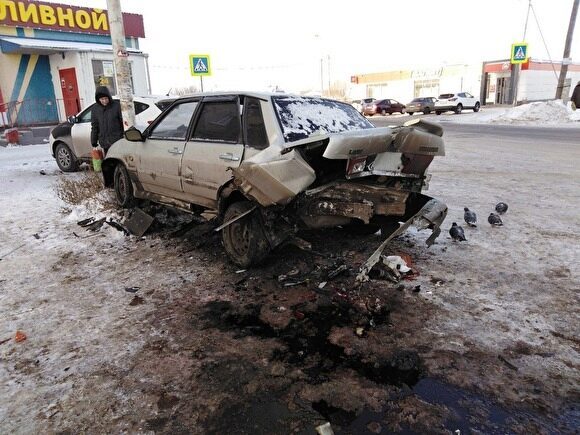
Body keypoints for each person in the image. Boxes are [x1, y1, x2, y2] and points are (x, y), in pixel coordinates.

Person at [90, 86, 123, 155]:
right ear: (98, 99)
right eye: (102, 99)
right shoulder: (95, 109)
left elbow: (122, 122)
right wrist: (94, 142)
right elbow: (95, 126)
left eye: (106, 98)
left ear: (109, 97)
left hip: (117, 141)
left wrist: (123, 136)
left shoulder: (116, 106)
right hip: (104, 142)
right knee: (108, 162)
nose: (104, 101)